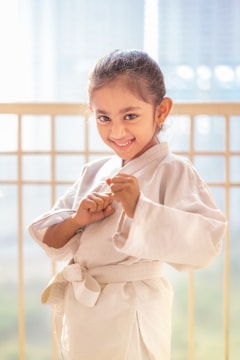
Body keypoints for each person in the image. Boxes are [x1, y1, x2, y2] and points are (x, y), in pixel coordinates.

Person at [28, 49, 227, 360]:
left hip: (132, 311)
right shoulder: (94, 173)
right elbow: (49, 238)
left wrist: (140, 208)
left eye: (130, 116)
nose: (116, 131)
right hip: (84, 313)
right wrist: (77, 221)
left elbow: (206, 243)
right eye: (103, 118)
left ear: (161, 111)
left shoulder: (173, 171)